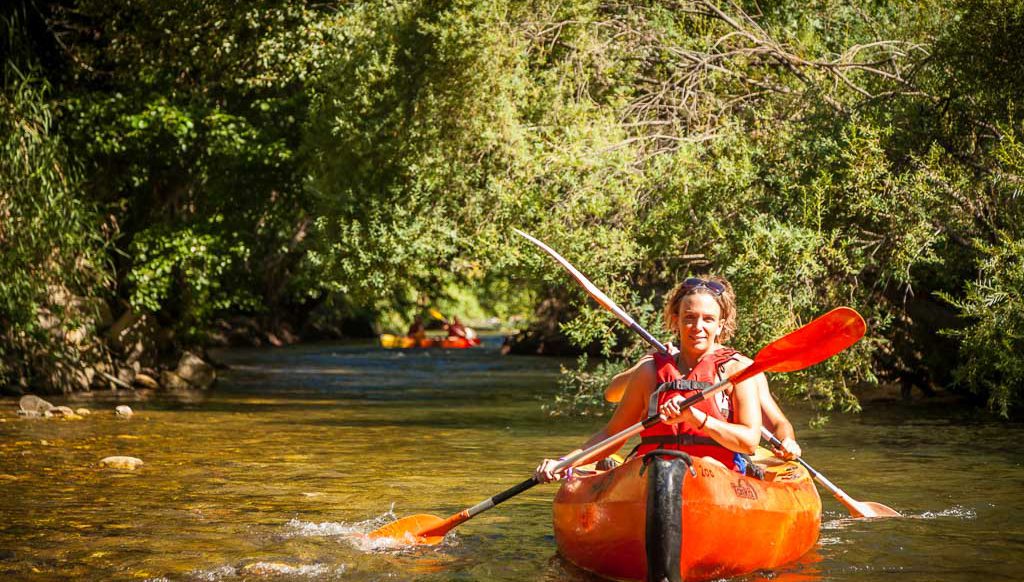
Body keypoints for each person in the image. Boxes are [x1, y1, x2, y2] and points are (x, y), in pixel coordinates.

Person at [536, 276, 766, 483]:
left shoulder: (737, 370)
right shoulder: (649, 371)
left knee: (704, 464)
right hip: (653, 473)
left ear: (720, 325)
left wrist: (696, 417)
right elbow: (612, 435)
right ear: (676, 320)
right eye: (689, 318)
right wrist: (565, 462)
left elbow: (749, 442)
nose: (698, 327)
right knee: (656, 470)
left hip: (716, 475)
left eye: (708, 319)